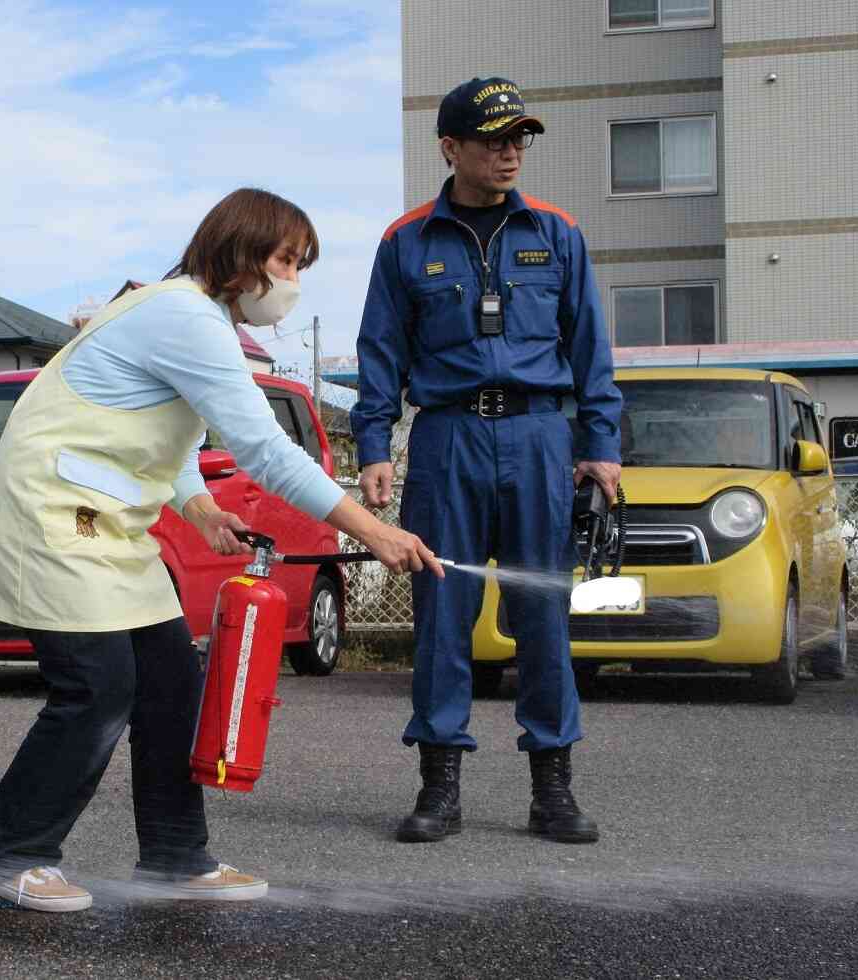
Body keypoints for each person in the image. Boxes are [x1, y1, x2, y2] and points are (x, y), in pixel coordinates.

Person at [0, 188, 446, 912]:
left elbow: (159, 425)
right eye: (285, 260)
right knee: (97, 689)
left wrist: (199, 506)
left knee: (171, 686)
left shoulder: (183, 313)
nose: (292, 282)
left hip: (104, 527)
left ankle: (174, 859)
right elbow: (266, 451)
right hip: (50, 516)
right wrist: (370, 529)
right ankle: (7, 856)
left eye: (299, 265)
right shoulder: (183, 315)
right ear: (240, 253)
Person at [351, 78, 623, 845]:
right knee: (442, 617)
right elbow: (379, 352)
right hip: (444, 441)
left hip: (539, 437)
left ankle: (553, 790)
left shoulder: (557, 231)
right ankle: (438, 789)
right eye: (493, 139)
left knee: (542, 615)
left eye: (518, 139)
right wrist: (375, 445)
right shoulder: (405, 241)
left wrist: (599, 446)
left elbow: (589, 350)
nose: (509, 153)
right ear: (450, 147)